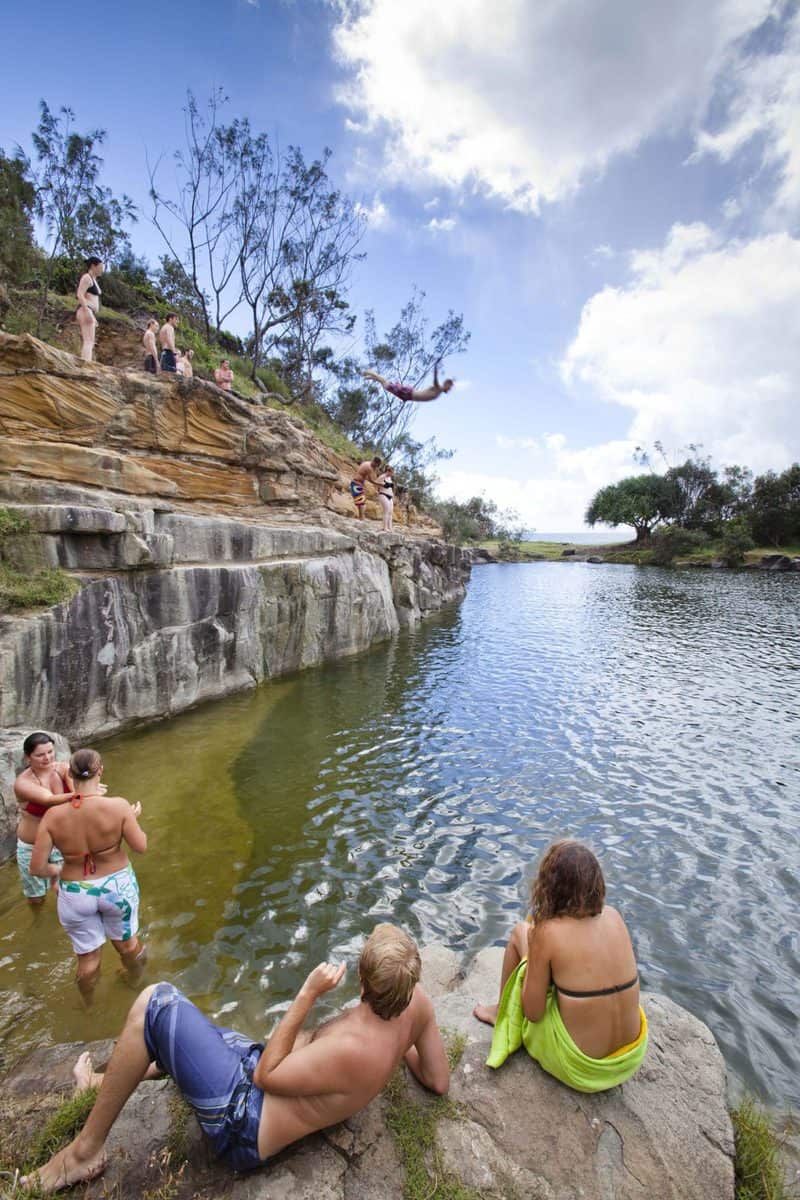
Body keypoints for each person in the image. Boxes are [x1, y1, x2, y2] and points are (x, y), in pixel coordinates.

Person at [21, 923, 449, 1193]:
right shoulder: (419, 1008)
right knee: (185, 1032)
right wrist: (401, 1052)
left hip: (242, 1121)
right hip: (264, 1079)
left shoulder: (352, 1045)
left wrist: (307, 994)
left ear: (362, 978)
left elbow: (266, 1075)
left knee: (156, 1001)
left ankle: (82, 1155)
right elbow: (438, 1080)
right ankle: (106, 1083)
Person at [474, 840, 648, 1093]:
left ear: (550, 886)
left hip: (581, 1067)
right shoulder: (614, 916)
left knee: (519, 932)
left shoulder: (548, 932)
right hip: (628, 1059)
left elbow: (533, 1013)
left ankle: (500, 1011)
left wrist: (535, 957)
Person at [29, 748, 147, 1004]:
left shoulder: (53, 815)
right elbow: (140, 847)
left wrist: (59, 871)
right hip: (117, 888)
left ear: (70, 773)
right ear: (100, 771)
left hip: (75, 892)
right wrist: (129, 820)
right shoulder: (118, 806)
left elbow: (37, 867)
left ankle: (89, 1006)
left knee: (88, 958)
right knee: (128, 945)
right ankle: (136, 983)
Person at [13, 732, 77, 905]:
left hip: (59, 842)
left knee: (66, 894)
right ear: (28, 758)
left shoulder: (63, 768)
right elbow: (48, 800)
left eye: (50, 752)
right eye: (40, 755)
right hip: (30, 845)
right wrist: (83, 794)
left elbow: (76, 795)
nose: (47, 758)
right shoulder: (23, 783)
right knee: (36, 898)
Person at [362, 361, 454, 403]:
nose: (449, 389)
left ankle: (371, 376)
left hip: (408, 395)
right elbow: (435, 381)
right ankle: (371, 373)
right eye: (449, 387)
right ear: (446, 384)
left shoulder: (439, 391)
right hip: (408, 393)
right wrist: (436, 367)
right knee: (387, 384)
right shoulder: (439, 388)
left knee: (387, 386)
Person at [75, 257, 104, 362]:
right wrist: (87, 311)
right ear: (93, 266)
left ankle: (87, 362)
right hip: (86, 310)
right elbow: (80, 294)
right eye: (100, 267)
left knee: (90, 341)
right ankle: (86, 364)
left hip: (89, 311)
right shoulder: (87, 277)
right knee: (88, 341)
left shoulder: (94, 280)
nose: (102, 270)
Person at [377, 465, 394, 533]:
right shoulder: (382, 476)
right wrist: (383, 484)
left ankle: (390, 527)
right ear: (388, 471)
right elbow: (376, 483)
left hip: (390, 496)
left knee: (390, 512)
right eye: (391, 472)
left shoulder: (389, 478)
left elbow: (390, 487)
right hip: (383, 495)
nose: (392, 474)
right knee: (386, 511)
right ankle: (385, 527)